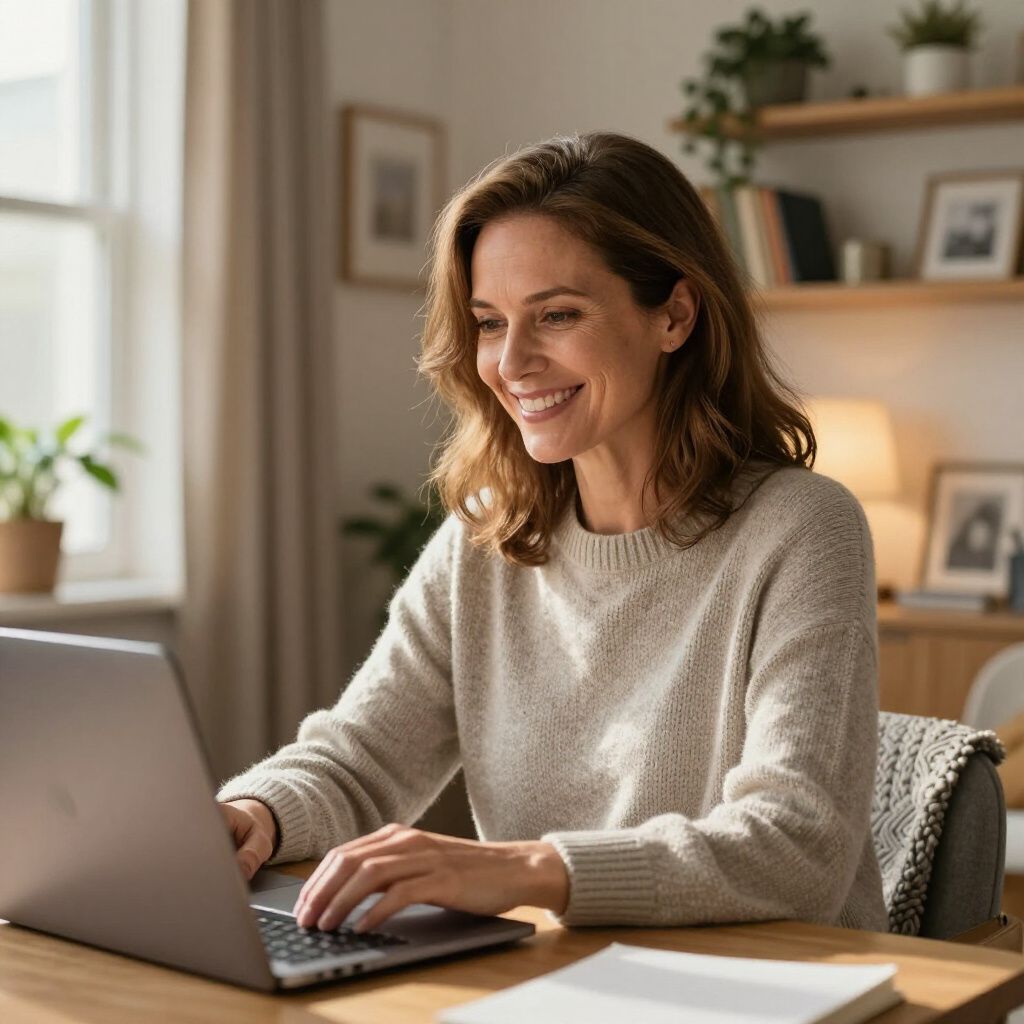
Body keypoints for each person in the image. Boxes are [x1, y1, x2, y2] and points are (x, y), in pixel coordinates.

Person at [218, 131, 888, 937]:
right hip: (555, 980)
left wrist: (523, 868)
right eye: (490, 322)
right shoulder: (488, 536)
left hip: (771, 988)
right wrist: (257, 812)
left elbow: (794, 848)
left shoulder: (802, 530)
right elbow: (362, 758)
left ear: (675, 314)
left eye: (557, 315)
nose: (512, 362)